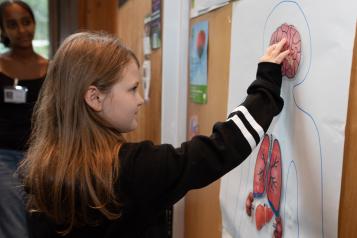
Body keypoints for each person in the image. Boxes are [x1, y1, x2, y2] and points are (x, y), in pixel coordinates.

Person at [20, 32, 289, 238]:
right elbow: (221, 148)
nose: (140, 100)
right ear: (95, 97)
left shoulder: (40, 171)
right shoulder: (132, 168)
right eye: (131, 89)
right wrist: (266, 83)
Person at [0, 1, 48, 237]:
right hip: (4, 159)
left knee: (43, 225)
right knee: (15, 230)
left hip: (42, 159)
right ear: (3, 30)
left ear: (34, 23)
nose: (22, 30)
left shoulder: (50, 67)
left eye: (26, 22)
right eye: (12, 24)